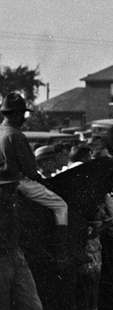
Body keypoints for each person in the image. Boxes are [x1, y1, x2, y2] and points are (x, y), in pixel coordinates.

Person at [0, 93, 69, 260]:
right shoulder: (16, 135)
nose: (24, 118)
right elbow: (30, 170)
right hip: (18, 181)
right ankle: (61, 251)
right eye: (22, 114)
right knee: (61, 206)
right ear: (15, 114)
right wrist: (41, 180)